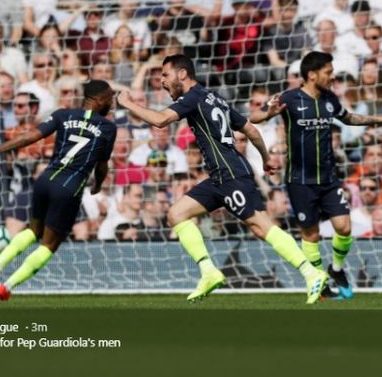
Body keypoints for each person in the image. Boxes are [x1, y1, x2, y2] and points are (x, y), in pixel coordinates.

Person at [117, 54, 330, 304]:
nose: (162, 81)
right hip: (221, 176)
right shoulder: (214, 97)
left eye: (165, 75)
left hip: (230, 174)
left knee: (261, 226)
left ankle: (311, 272)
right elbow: (250, 129)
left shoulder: (192, 97)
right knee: (177, 213)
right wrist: (264, 158)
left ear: (182, 74)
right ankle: (209, 272)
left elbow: (161, 120)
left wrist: (128, 103)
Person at [250, 51, 382, 299]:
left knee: (344, 228)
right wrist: (268, 113)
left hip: (329, 179)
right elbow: (254, 117)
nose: (332, 77)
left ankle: (337, 269)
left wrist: (381, 119)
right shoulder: (289, 98)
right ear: (312, 75)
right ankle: (320, 284)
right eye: (328, 73)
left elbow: (349, 117)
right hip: (300, 181)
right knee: (311, 235)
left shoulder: (330, 99)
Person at [0, 80, 116, 301]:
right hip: (68, 188)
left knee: (33, 230)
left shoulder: (62, 114)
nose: (112, 102)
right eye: (109, 98)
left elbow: (31, 136)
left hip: (44, 180)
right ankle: (7, 287)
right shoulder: (108, 127)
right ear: (99, 100)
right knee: (49, 244)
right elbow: (102, 164)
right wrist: (98, 185)